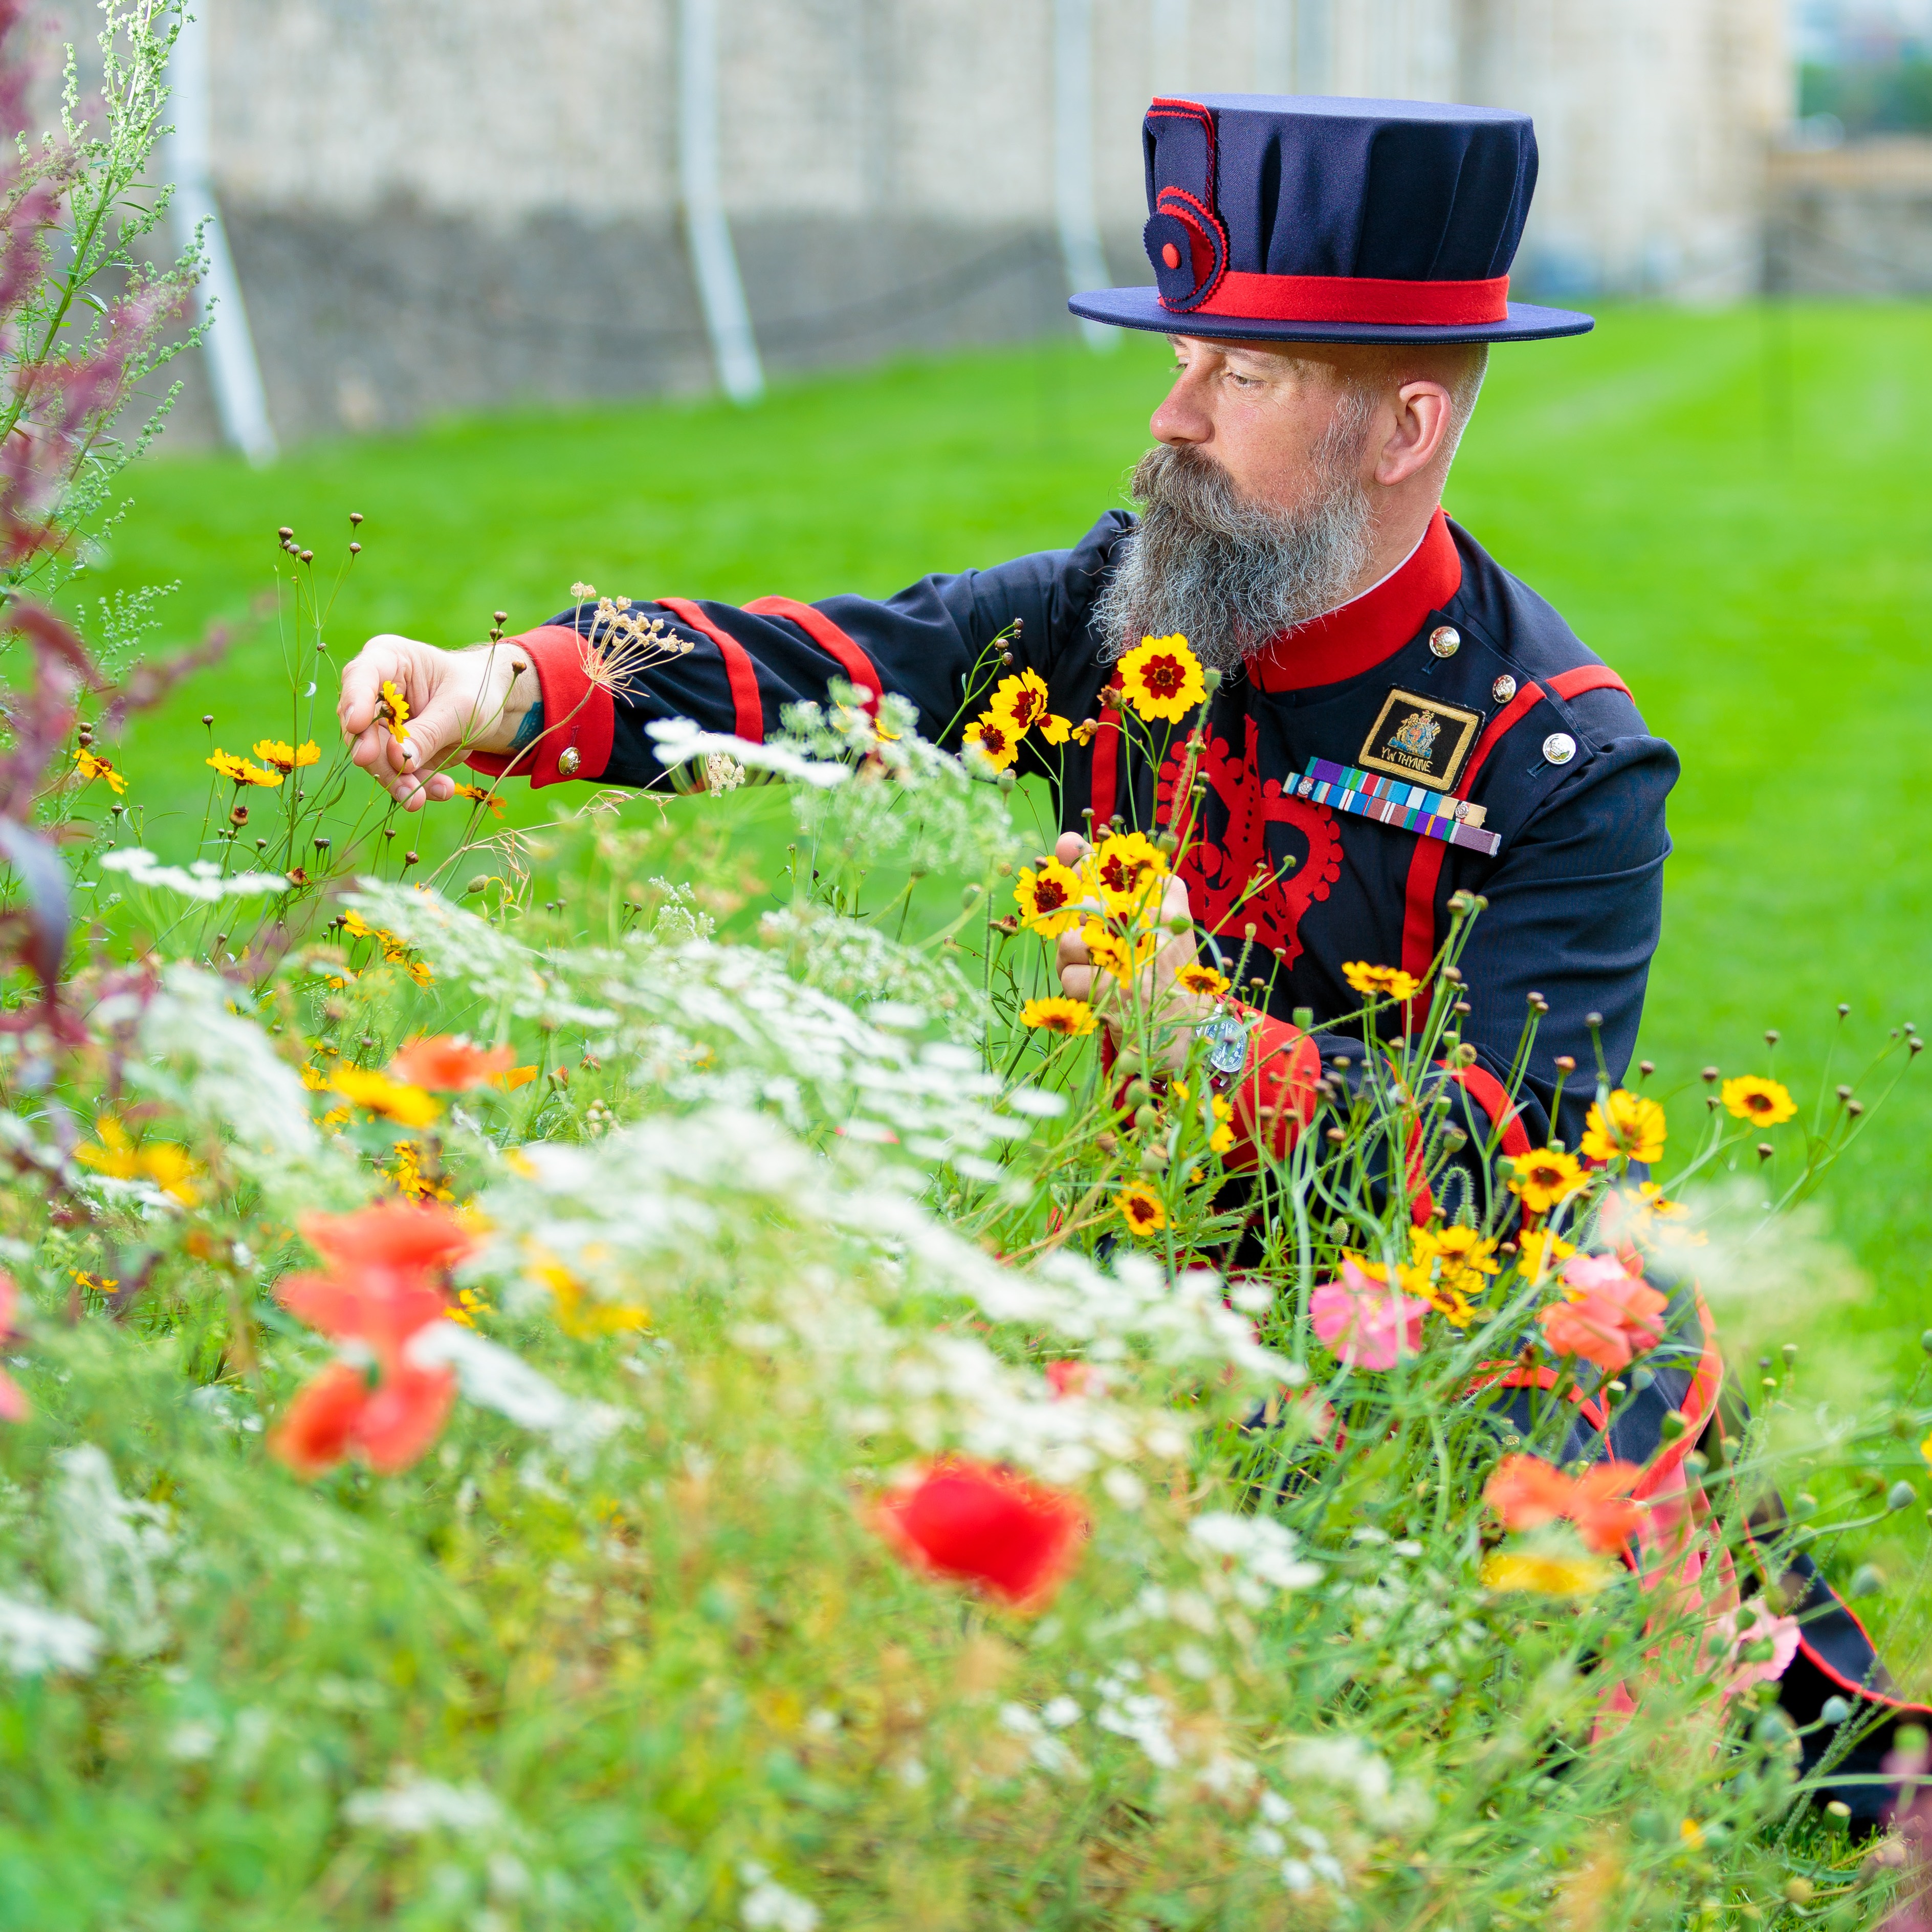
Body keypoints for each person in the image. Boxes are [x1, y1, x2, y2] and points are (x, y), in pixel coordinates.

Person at [337, 94, 1925, 1807]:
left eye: (1239, 375)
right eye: (1186, 356)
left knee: (1603, 1701)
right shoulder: (1124, 610)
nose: (1171, 415)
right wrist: (507, 684)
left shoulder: (1557, 759)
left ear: (1400, 425)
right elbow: (843, 663)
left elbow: (1510, 1153)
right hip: (1129, 1283)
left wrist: (1208, 1045)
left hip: (1447, 1344)